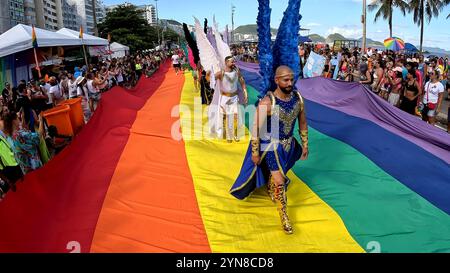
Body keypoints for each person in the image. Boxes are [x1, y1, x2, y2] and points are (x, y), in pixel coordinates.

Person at [230, 66, 309, 234]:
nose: (290, 83)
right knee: (281, 181)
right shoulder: (267, 102)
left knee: (280, 175)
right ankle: (284, 215)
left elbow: (302, 122)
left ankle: (271, 184)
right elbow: (256, 129)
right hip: (271, 146)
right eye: (285, 80)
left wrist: (305, 144)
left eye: (291, 79)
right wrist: (255, 152)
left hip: (289, 146)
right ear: (276, 80)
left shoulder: (298, 99)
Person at [211, 56, 248, 142]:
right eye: (232, 62)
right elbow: (211, 79)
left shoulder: (237, 71)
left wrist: (245, 92)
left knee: (238, 116)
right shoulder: (221, 73)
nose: (233, 63)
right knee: (229, 117)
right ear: (226, 63)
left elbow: (242, 81)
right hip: (225, 99)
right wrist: (211, 75)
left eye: (234, 62)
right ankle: (229, 136)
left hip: (235, 98)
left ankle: (236, 134)